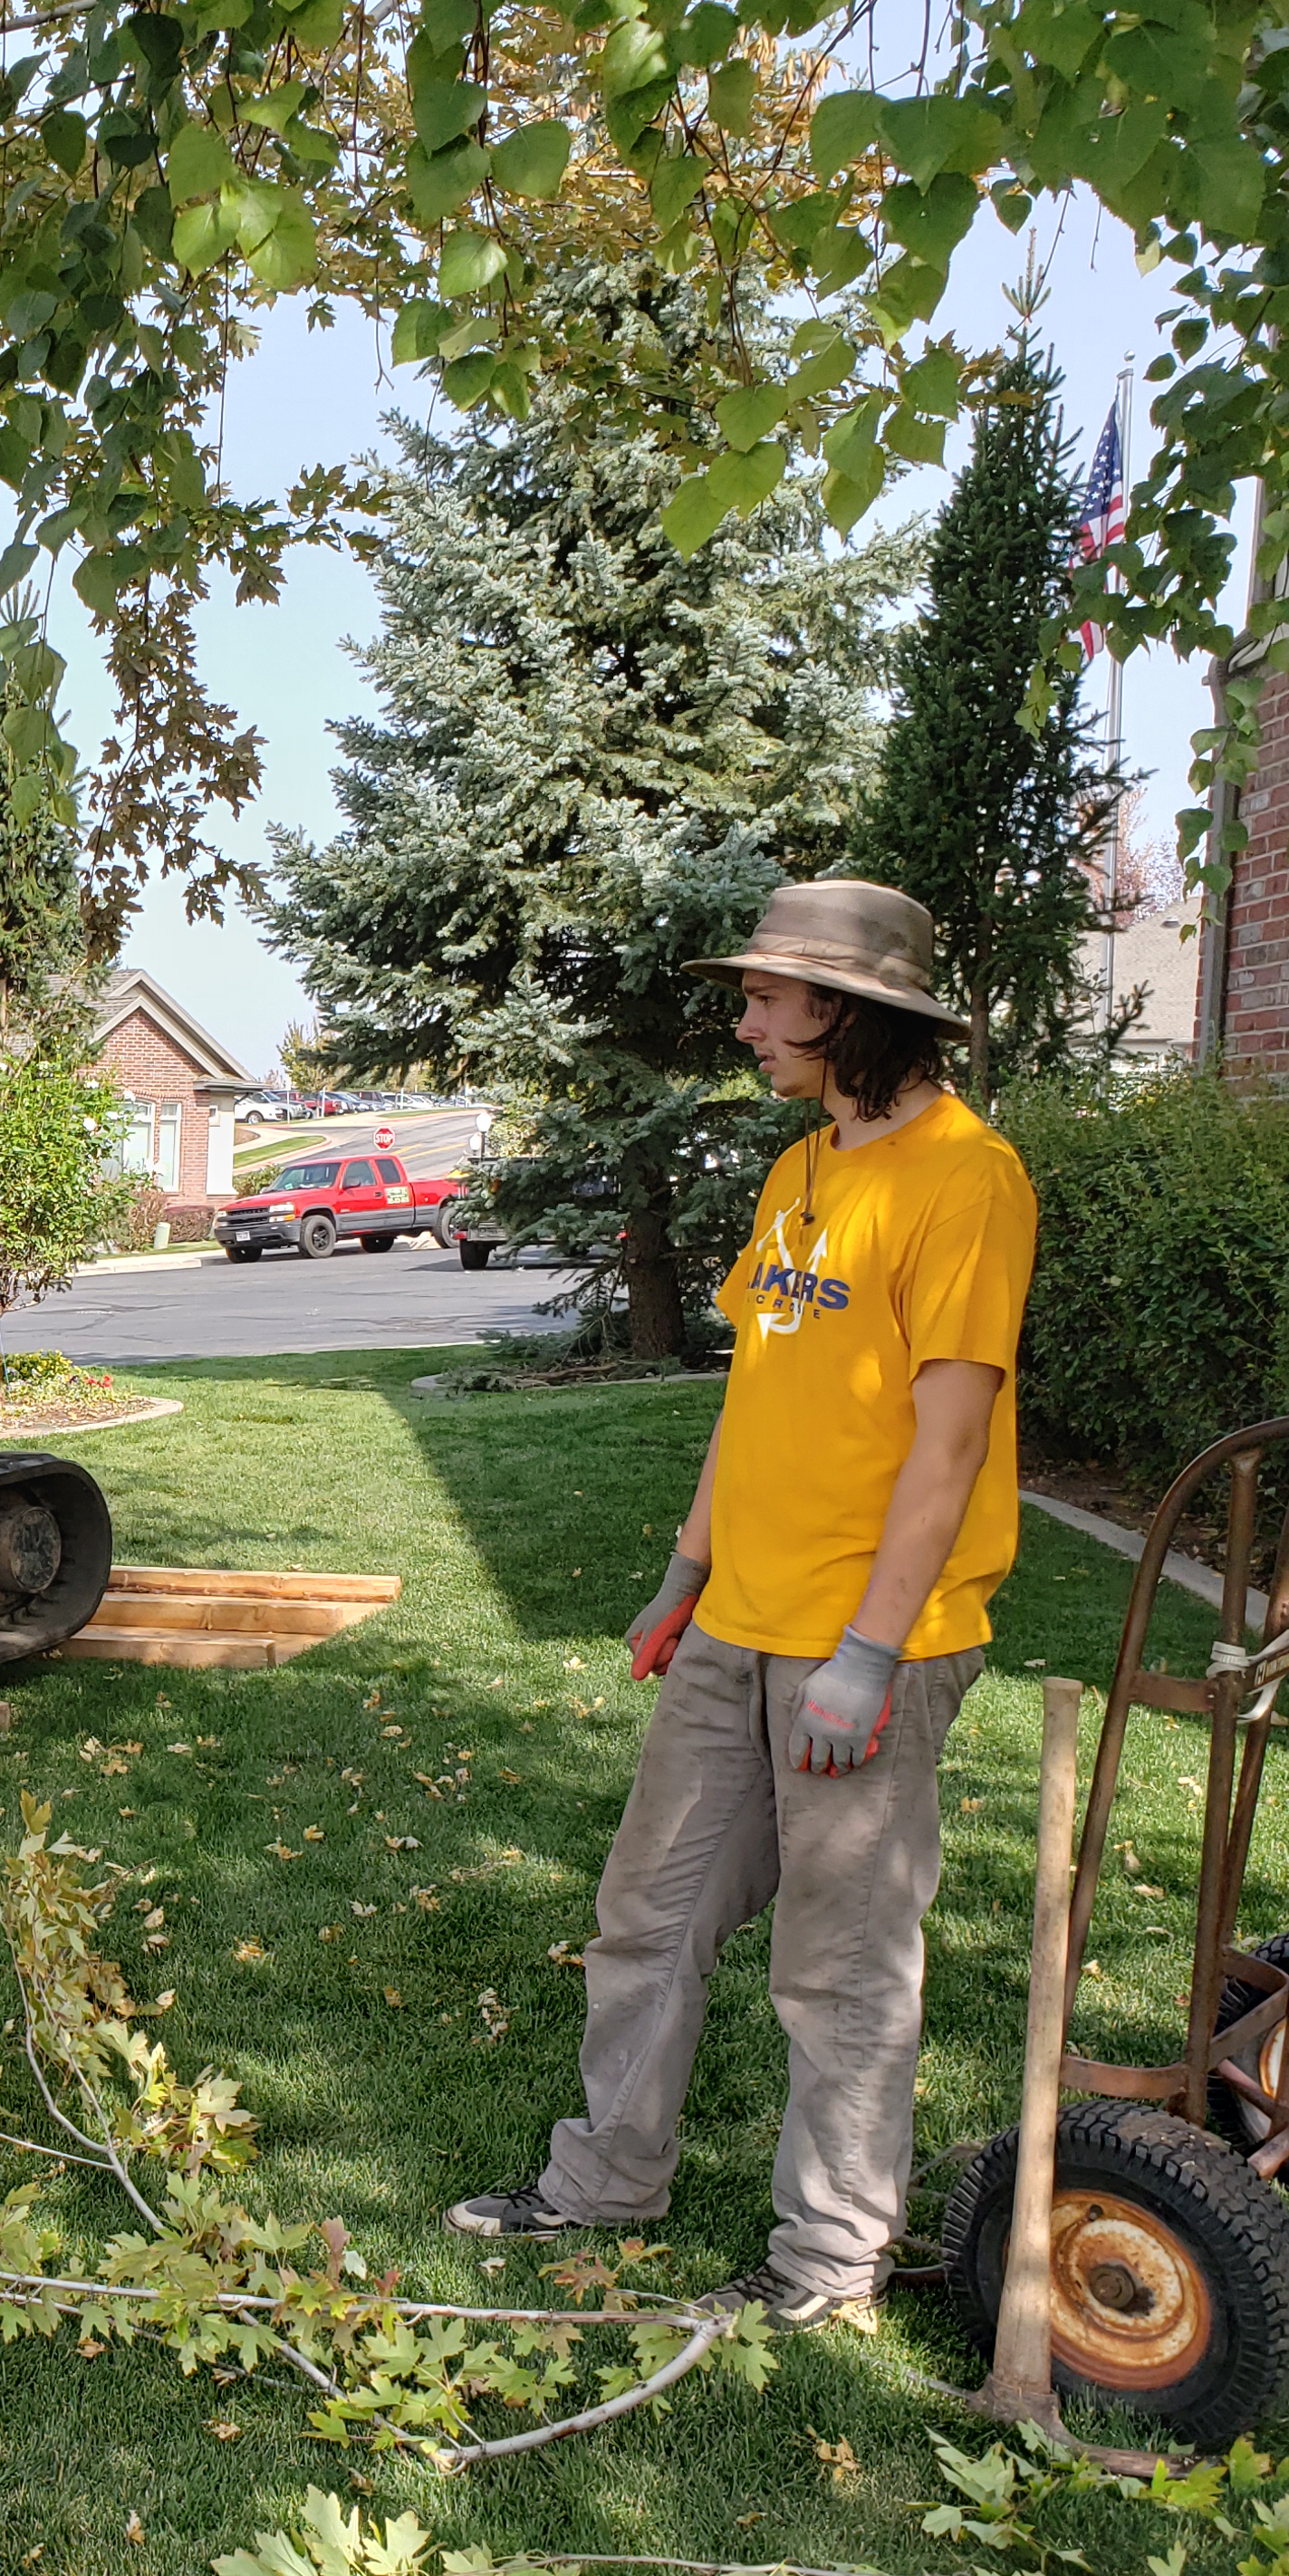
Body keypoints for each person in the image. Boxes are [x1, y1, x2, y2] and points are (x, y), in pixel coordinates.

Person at [442, 879, 1039, 2334]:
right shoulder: (799, 1169)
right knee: (649, 1912)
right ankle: (605, 2180)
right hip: (739, 1622)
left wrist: (870, 1654)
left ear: (847, 1010)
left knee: (837, 1968)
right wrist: (687, 1568)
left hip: (865, 1648)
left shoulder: (970, 1179)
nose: (748, 1020)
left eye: (770, 998)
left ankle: (828, 2263)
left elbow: (950, 1443)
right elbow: (758, 1390)